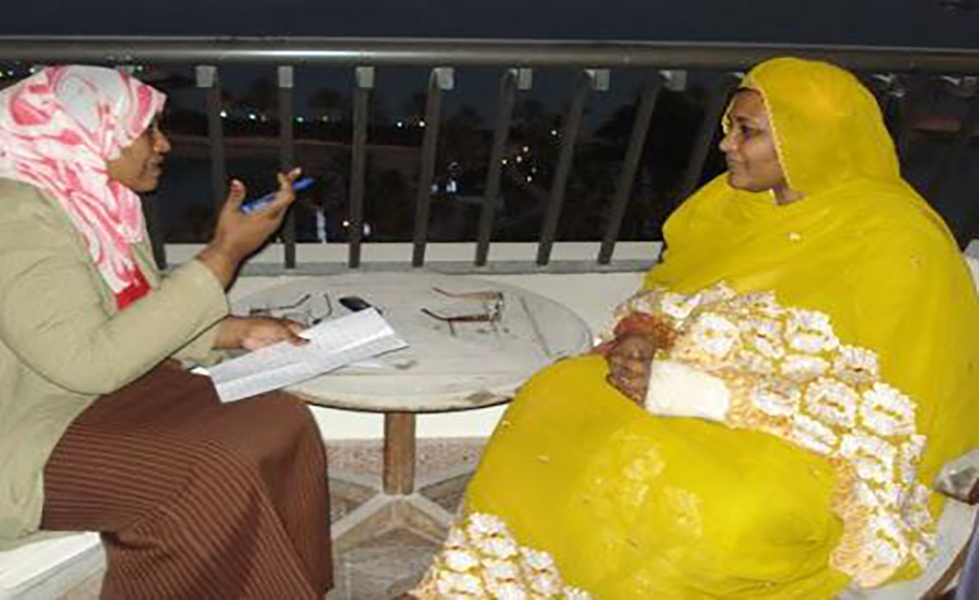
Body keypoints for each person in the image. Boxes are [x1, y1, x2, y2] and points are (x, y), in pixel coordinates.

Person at [412, 57, 979, 598]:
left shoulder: (898, 242)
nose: (726, 145)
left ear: (810, 139)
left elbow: (887, 409)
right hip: (681, 383)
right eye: (731, 127)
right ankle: (484, 585)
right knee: (555, 393)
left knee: (704, 501)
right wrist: (642, 334)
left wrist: (690, 392)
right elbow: (669, 293)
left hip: (807, 447)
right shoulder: (731, 206)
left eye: (747, 132)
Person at [0, 66, 332, 598]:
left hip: (59, 395)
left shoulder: (90, 203)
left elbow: (125, 313)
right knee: (208, 467)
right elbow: (91, 361)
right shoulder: (2, 218)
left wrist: (236, 333)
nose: (164, 144)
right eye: (146, 131)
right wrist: (222, 255)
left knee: (277, 418)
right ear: (85, 132)